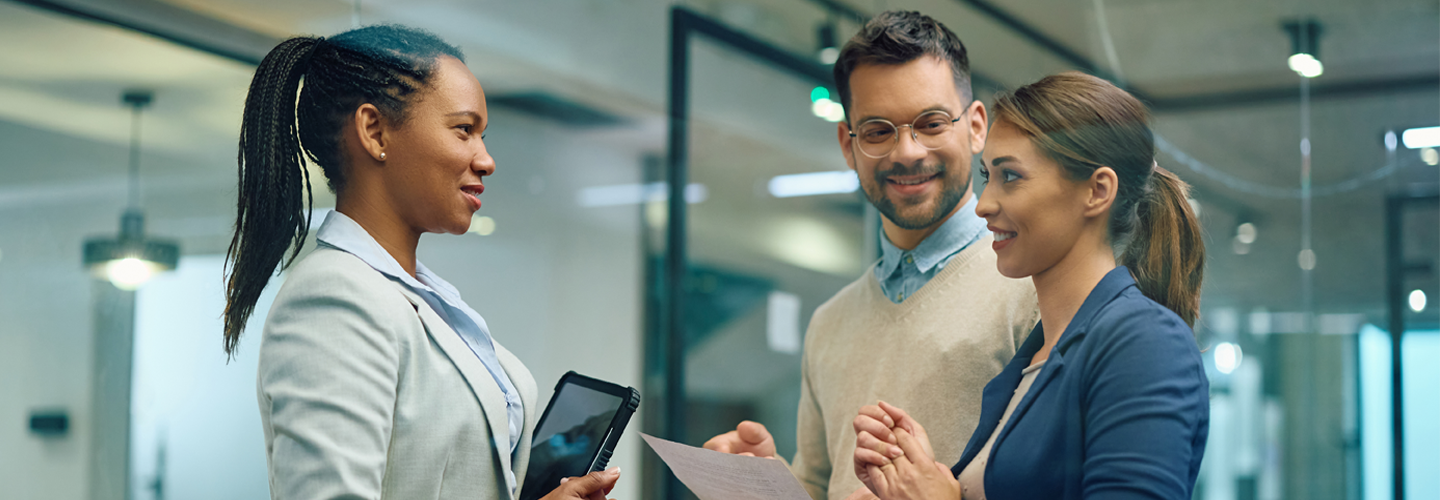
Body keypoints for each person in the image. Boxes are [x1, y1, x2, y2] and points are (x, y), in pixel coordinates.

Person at [221, 25, 618, 500]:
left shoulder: (422, 299)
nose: (486, 159)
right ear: (375, 131)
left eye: (482, 135)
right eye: (464, 130)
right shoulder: (333, 299)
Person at [702, 11, 1040, 500]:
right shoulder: (829, 324)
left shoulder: (1033, 289)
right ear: (848, 144)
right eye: (879, 131)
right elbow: (820, 488)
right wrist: (765, 484)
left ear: (976, 126)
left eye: (931, 122)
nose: (907, 151)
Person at [851, 72, 1210, 500]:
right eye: (988, 177)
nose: (984, 205)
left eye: (1012, 177)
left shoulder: (1144, 341)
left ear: (1097, 191)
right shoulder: (1032, 360)